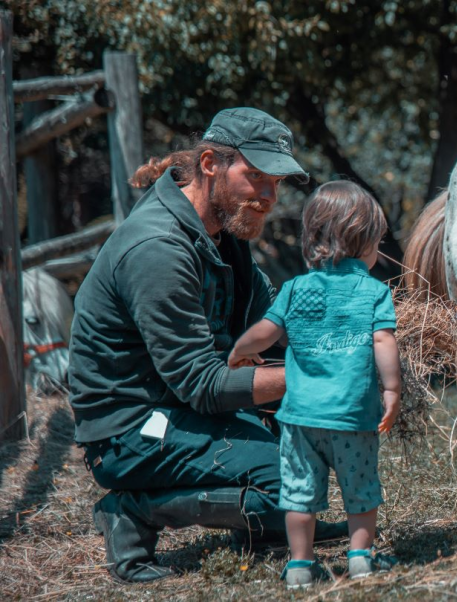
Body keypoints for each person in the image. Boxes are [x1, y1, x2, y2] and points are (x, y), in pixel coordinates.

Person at [68, 108, 347, 584]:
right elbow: (202, 384)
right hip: (132, 428)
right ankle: (132, 509)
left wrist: (350, 338)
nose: (267, 195)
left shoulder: (224, 234)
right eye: (254, 175)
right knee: (289, 479)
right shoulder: (157, 248)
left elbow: (273, 321)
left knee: (310, 449)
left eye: (275, 182)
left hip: (182, 406)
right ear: (211, 163)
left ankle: (260, 527)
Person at [228, 181, 402, 588]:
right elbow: (383, 341)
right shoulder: (374, 292)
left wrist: (238, 350)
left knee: (299, 494)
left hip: (300, 418)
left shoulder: (294, 290)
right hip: (353, 417)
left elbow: (266, 333)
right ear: (363, 244)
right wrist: (391, 390)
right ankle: (360, 559)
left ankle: (301, 566)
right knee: (361, 488)